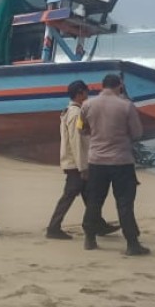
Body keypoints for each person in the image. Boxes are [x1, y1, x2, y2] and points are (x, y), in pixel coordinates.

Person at [80, 73, 150, 256]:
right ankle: (132, 243)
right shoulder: (126, 106)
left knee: (94, 200)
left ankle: (89, 238)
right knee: (124, 203)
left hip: (96, 160)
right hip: (121, 161)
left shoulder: (87, 105)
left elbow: (81, 129)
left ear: (101, 86)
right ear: (120, 86)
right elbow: (136, 133)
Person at [44, 80, 115, 240]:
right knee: (71, 196)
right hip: (76, 164)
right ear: (80, 93)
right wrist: (83, 167)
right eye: (86, 92)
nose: (87, 95)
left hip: (74, 162)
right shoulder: (76, 114)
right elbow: (78, 142)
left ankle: (98, 224)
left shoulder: (69, 111)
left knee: (89, 195)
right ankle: (53, 227)